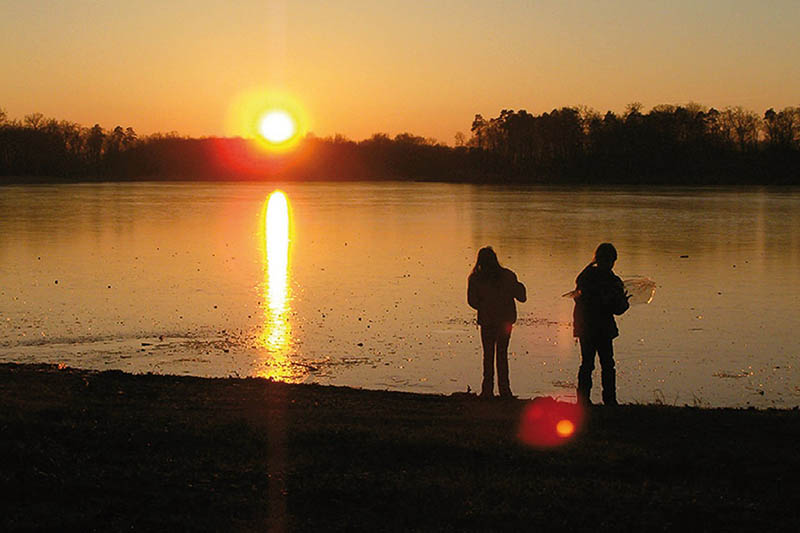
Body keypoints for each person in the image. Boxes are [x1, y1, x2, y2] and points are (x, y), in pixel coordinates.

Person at [572, 243, 630, 406]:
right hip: (599, 328)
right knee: (603, 364)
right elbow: (617, 308)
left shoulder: (586, 277)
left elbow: (580, 300)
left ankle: (586, 401)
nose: (611, 264)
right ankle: (606, 400)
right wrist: (623, 303)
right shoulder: (610, 280)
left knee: (591, 364)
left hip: (589, 328)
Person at [467, 247, 527, 398]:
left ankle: (487, 391)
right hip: (505, 321)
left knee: (488, 355)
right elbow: (522, 297)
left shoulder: (475, 278)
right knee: (502, 355)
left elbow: (472, 301)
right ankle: (504, 390)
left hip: (487, 321)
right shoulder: (507, 275)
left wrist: (484, 305)